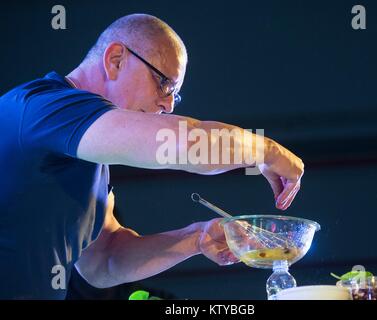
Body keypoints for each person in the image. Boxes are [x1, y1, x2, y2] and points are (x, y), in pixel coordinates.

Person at [0, 14, 303, 299]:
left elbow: (104, 262)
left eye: (175, 93)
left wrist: (196, 238)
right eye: (164, 84)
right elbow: (184, 144)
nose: (169, 105)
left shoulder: (88, 160)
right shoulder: (43, 108)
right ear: (116, 60)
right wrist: (267, 150)